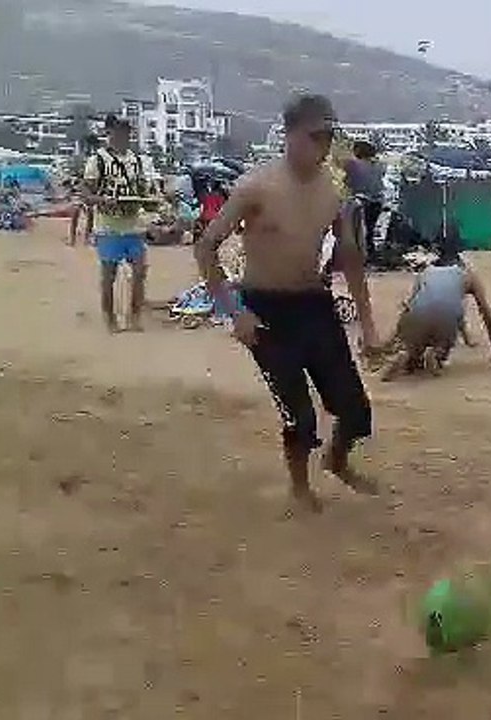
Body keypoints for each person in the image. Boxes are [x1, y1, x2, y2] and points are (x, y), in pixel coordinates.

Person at [194, 93, 381, 513]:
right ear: (290, 134)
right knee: (300, 416)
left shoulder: (334, 189)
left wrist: (367, 323)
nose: (324, 146)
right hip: (265, 310)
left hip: (314, 303)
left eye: (330, 137)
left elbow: (351, 256)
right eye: (316, 136)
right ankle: (299, 488)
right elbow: (206, 247)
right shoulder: (256, 187)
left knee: (355, 411)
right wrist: (234, 312)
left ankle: (337, 459)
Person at [381, 226, 491, 380]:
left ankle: (408, 357)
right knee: (445, 336)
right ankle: (437, 355)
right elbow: (487, 316)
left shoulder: (425, 272)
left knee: (414, 350)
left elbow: (410, 305)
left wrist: (395, 338)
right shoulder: (468, 275)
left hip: (417, 315)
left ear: (435, 250)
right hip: (446, 319)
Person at [84, 116, 159, 332]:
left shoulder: (137, 160)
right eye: (118, 133)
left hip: (133, 225)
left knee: (140, 271)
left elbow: (143, 190)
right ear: (109, 134)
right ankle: (109, 319)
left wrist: (153, 202)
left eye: (126, 133)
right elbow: (86, 192)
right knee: (109, 275)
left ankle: (134, 316)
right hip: (108, 227)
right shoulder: (97, 161)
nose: (123, 137)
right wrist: (102, 200)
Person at [68, 135, 98, 246]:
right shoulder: (80, 159)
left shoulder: (96, 159)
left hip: (90, 189)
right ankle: (73, 238)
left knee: (90, 214)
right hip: (80, 188)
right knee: (76, 213)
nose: (90, 148)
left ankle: (86, 237)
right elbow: (74, 173)